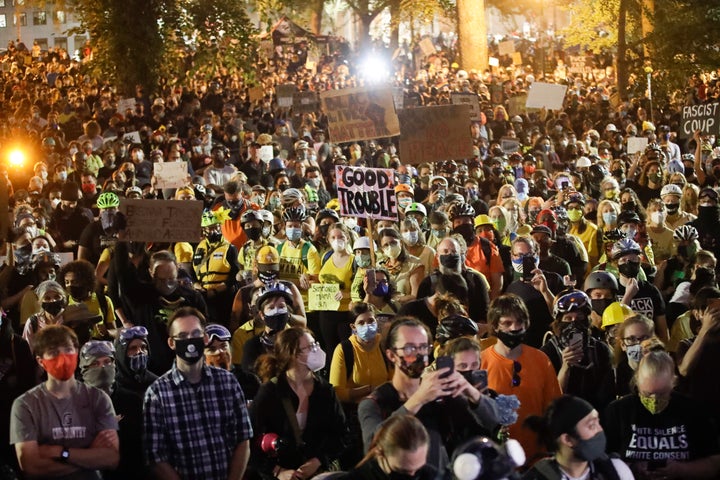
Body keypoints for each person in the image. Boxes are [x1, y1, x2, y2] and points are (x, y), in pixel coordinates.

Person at [358, 317, 499, 472]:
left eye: (424, 347)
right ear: (391, 355)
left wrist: (472, 393)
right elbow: (372, 445)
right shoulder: (375, 402)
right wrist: (418, 400)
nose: (419, 355)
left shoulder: (440, 395)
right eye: (410, 348)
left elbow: (492, 422)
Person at [143, 306, 253, 479]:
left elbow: (243, 439)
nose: (190, 341)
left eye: (195, 334)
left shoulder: (228, 382)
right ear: (171, 343)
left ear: (205, 338)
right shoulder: (157, 393)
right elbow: (155, 456)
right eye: (183, 336)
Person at [10, 325, 120, 478]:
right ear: (41, 362)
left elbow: (111, 459)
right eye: (54, 352)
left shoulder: (98, 398)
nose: (62, 358)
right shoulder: (25, 405)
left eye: (68, 350)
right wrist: (89, 455)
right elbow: (31, 466)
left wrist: (60, 453)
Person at [603, 351, 720, 480]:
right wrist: (631, 468)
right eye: (647, 394)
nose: (655, 400)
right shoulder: (618, 411)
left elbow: (714, 463)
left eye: (662, 393)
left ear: (673, 382)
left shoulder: (693, 411)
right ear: (637, 382)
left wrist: (681, 470)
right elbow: (601, 461)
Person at [249, 327, 347, 480]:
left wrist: (318, 460)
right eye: (310, 347)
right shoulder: (270, 393)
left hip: (319, 472)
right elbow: (249, 440)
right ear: (293, 355)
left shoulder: (324, 390)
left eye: (316, 344)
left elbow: (341, 434)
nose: (317, 350)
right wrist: (277, 471)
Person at [481, 294, 562, 466]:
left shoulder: (541, 359)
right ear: (495, 326)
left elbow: (553, 408)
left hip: (536, 459)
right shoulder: (481, 362)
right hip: (496, 460)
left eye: (519, 322)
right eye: (507, 323)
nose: (514, 328)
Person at [522, 395, 634, 480]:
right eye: (592, 426)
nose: (600, 430)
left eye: (598, 422)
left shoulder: (615, 470)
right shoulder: (538, 476)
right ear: (567, 439)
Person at [541, 290, 615, 412]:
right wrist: (565, 368)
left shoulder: (601, 351)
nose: (574, 324)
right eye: (568, 318)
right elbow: (549, 401)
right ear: (559, 322)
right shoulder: (547, 354)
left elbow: (607, 398)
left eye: (579, 318)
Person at [339, 414, 436, 480]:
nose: (413, 476)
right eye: (401, 471)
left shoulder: (430, 475)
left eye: (419, 469)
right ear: (380, 453)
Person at [610, 238, 669, 343]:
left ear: (639, 261)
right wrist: (628, 295)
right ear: (616, 264)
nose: (629, 263)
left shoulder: (651, 290)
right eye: (623, 260)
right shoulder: (612, 290)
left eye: (633, 259)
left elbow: (663, 331)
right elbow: (613, 330)